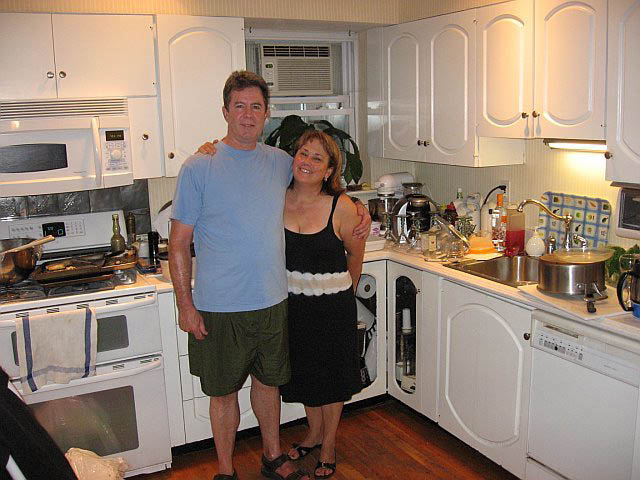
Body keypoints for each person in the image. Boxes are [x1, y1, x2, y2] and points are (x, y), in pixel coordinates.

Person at [170, 70, 369, 480]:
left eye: (255, 107)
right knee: (223, 393)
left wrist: (360, 210)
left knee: (269, 386)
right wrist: (185, 306)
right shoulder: (198, 165)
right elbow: (177, 244)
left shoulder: (281, 163)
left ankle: (272, 456)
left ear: (266, 114)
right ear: (225, 111)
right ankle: (225, 469)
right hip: (219, 304)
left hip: (274, 300)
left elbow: (322, 188)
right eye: (239, 106)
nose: (247, 115)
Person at [280, 129, 366, 479]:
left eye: (318, 158)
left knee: (332, 378)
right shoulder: (277, 197)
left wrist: (344, 294)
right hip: (292, 305)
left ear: (330, 170)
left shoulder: (342, 206)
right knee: (305, 374)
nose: (308, 162)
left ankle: (328, 444)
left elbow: (355, 258)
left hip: (333, 308)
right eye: (303, 153)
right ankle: (313, 432)